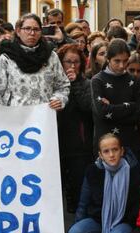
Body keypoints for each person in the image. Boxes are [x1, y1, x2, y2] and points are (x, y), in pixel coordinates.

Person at [64, 134, 140, 233]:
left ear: (122, 151)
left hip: (125, 222)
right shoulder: (93, 172)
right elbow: (83, 203)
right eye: (106, 151)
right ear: (100, 155)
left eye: (115, 149)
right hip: (99, 220)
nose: (111, 154)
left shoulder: (134, 171)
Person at [0, 13, 69, 109]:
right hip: (15, 118)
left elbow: (63, 85)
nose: (32, 33)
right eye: (27, 29)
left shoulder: (51, 56)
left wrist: (58, 99)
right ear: (18, 31)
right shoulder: (7, 58)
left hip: (44, 116)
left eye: (36, 29)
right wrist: (2, 116)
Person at [90, 38, 140, 155]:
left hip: (130, 142)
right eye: (117, 61)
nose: (121, 65)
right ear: (108, 59)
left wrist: (113, 110)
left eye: (125, 61)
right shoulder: (97, 80)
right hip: (106, 145)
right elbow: (102, 112)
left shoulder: (133, 80)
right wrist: (131, 106)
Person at [56, 43, 93, 213]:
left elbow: (87, 107)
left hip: (79, 146)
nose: (72, 66)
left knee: (78, 189)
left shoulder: (87, 84)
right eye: (67, 62)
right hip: (56, 143)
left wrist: (74, 83)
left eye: (76, 62)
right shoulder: (53, 83)